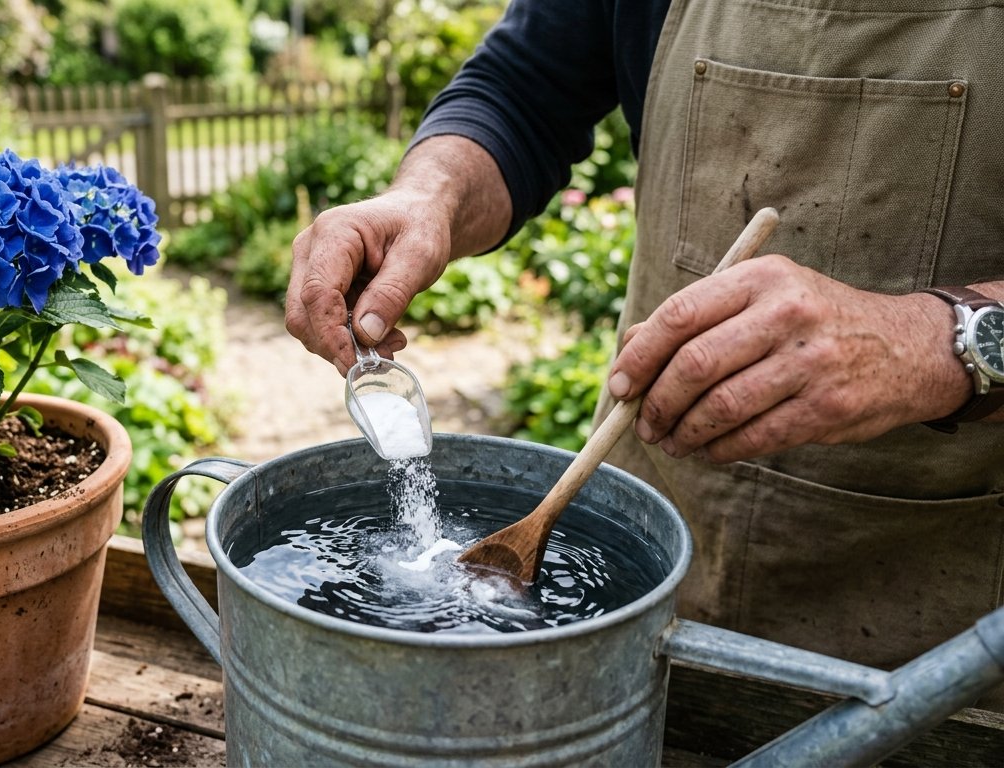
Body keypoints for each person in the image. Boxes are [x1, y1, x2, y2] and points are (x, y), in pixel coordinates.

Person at [283, 0, 1004, 701]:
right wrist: (429, 196)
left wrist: (944, 343)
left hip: (944, 615)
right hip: (652, 522)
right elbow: (522, 92)